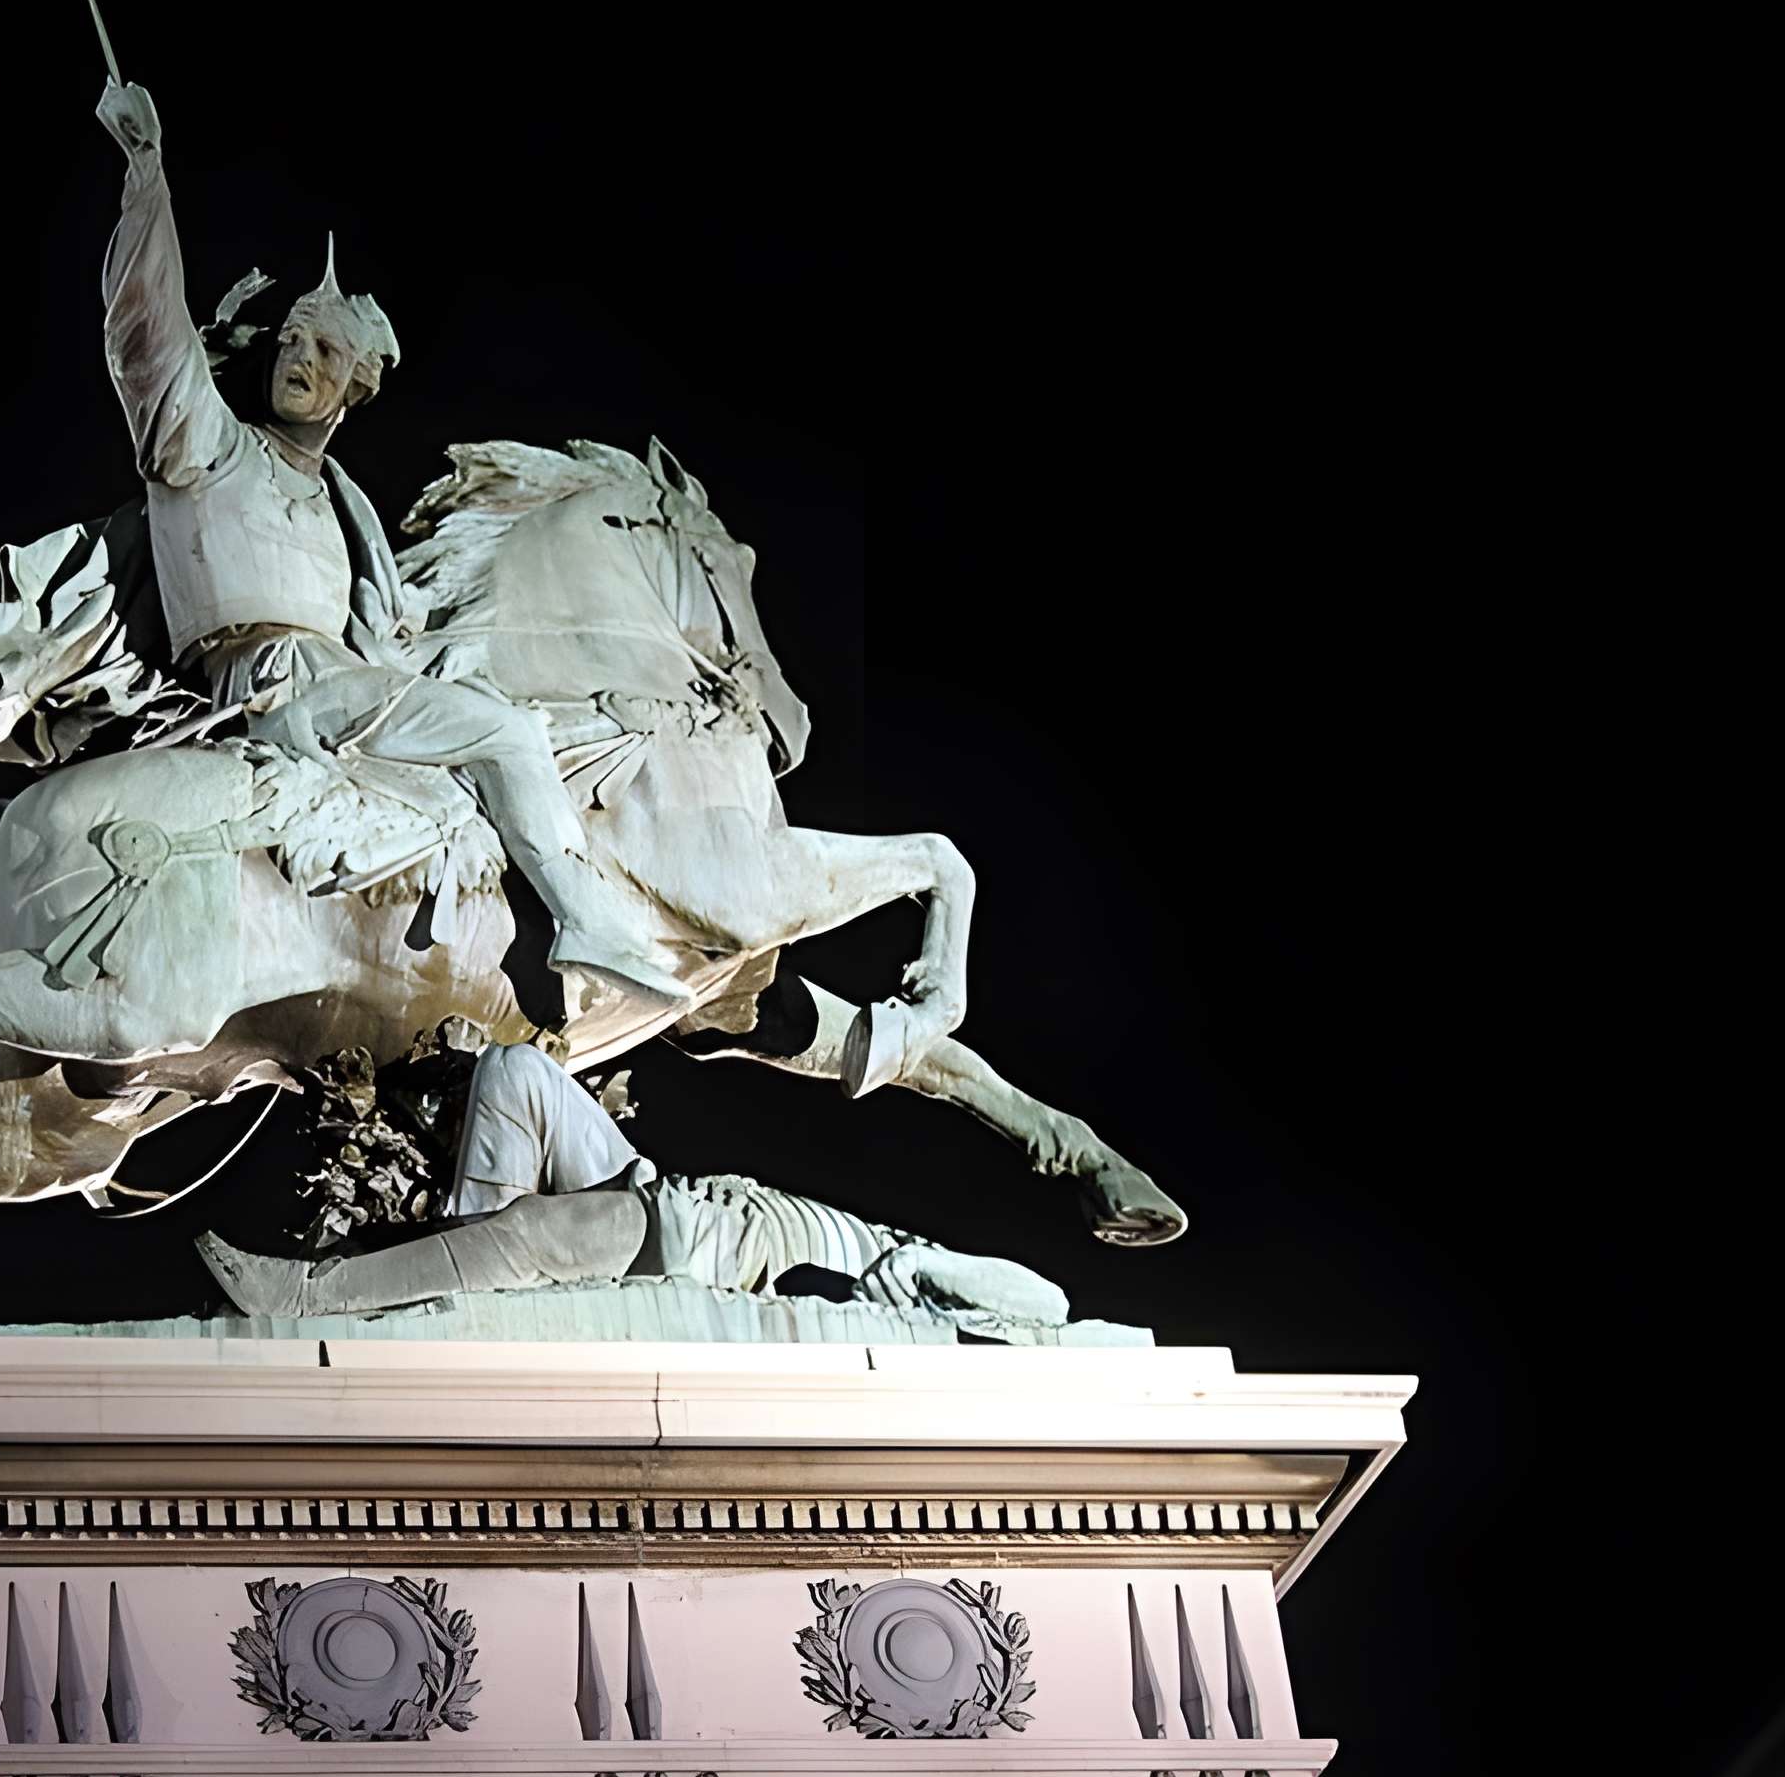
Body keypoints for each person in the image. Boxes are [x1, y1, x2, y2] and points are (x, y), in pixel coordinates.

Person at [93, 73, 695, 1004]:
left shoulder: (345, 506)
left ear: (355, 389)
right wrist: (147, 174)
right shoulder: (207, 446)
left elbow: (399, 638)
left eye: (321, 353)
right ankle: (584, 918)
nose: (297, 359)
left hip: (346, 688)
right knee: (505, 734)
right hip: (274, 691)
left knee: (504, 738)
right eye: (292, 341)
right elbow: (149, 334)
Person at [196, 1043, 1121, 1340]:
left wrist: (911, 1284)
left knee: (530, 1236)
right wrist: (921, 1267)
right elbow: (1037, 1293)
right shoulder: (890, 1255)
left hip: (699, 1251)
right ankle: (456, 1282)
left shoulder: (872, 1294)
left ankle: (307, 1295)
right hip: (673, 1196)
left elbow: (1050, 1302)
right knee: (517, 1070)